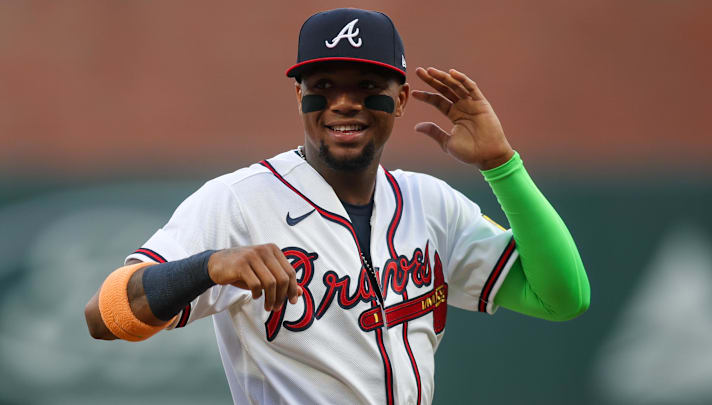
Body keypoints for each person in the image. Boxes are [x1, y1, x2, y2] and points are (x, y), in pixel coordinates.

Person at [85, 8, 589, 405]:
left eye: (368, 89)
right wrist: (211, 266)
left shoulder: (429, 203)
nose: (344, 103)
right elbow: (104, 316)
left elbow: (562, 298)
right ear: (298, 95)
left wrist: (502, 165)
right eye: (323, 88)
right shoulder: (238, 200)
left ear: (403, 98)